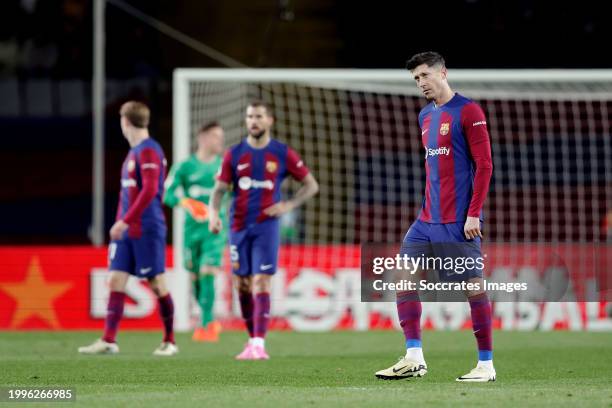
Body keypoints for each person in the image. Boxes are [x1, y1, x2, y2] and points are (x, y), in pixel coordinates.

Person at [374, 52, 495, 382]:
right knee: (403, 278)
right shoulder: (425, 116)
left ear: (443, 72)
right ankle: (414, 356)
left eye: (425, 75)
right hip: (425, 220)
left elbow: (484, 165)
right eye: (416, 79)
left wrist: (474, 214)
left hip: (458, 221)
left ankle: (486, 364)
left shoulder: (468, 111)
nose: (421, 83)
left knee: (472, 287)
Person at [208, 100, 319, 360]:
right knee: (242, 285)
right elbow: (219, 191)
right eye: (249, 117)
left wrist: (288, 205)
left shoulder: (281, 153)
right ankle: (252, 341)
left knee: (261, 280)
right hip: (237, 226)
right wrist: (213, 214)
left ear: (270, 121)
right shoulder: (234, 154)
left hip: (266, 227)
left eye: (258, 116)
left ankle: (259, 343)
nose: (253, 121)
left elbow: (311, 185)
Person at [79, 101, 177, 356]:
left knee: (156, 283)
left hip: (146, 227)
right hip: (127, 231)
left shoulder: (149, 151)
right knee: (115, 279)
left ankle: (170, 341)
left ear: (125, 122)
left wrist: (125, 220)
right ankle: (109, 340)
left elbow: (151, 190)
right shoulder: (134, 152)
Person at [163, 121, 227, 342]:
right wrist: (185, 202)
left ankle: (206, 325)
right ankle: (210, 319)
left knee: (208, 269)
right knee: (194, 274)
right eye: (216, 136)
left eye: (221, 136)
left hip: (215, 229)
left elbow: (237, 195)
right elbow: (167, 194)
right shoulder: (184, 167)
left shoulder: (224, 167)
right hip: (191, 231)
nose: (220, 141)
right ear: (202, 137)